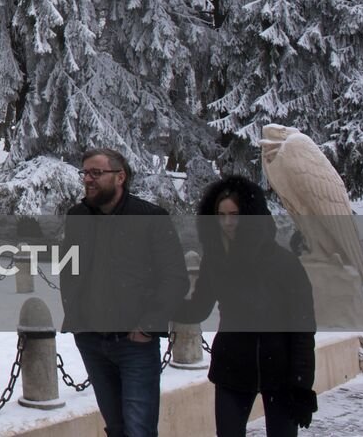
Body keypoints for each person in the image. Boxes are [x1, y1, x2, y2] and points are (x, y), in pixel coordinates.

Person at [60, 148, 188, 437]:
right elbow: (70, 272)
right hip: (92, 341)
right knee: (116, 428)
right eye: (85, 173)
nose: (88, 179)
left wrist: (148, 325)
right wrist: (78, 322)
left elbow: (175, 279)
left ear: (120, 177)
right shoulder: (77, 216)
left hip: (136, 344)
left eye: (96, 173)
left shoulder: (151, 217)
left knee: (139, 428)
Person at [176, 176, 316, 437]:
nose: (228, 222)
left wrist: (302, 385)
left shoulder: (284, 263)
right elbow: (198, 308)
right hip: (232, 368)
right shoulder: (214, 259)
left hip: (280, 372)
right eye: (221, 215)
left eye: (235, 214)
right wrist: (159, 304)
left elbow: (303, 327)